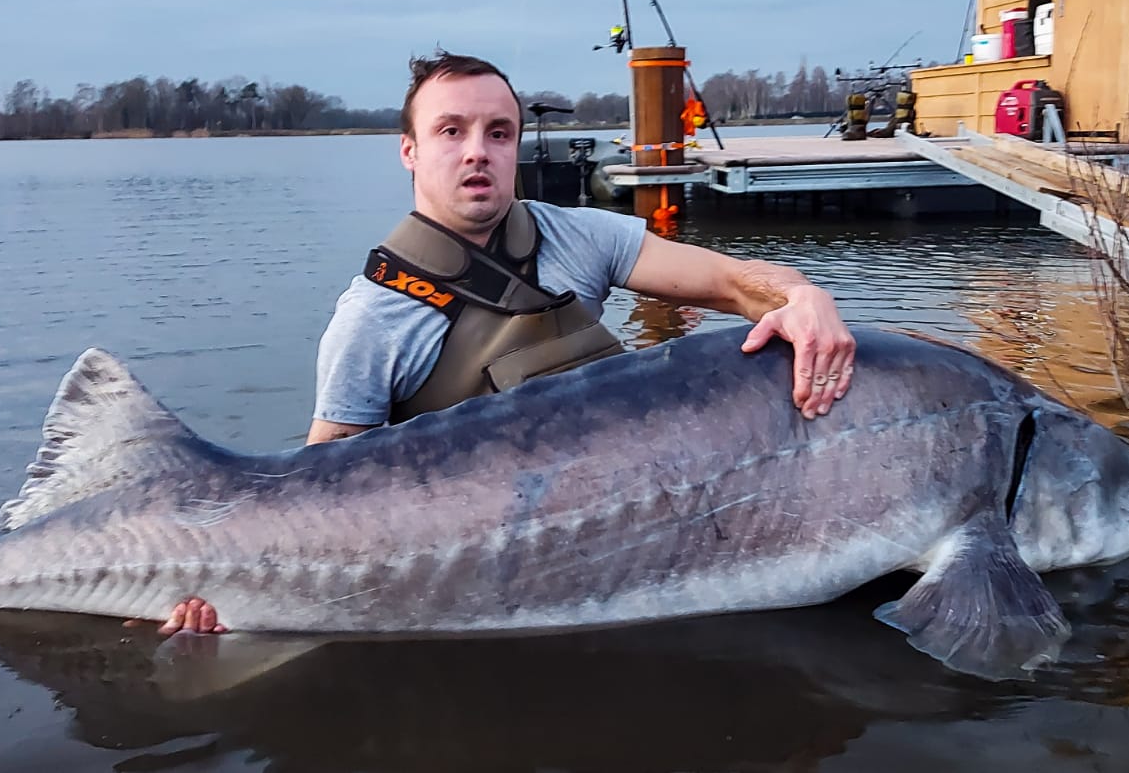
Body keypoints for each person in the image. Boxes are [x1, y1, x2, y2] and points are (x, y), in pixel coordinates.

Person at [150, 52, 855, 636]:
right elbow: (320, 494)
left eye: (497, 132)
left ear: (517, 145)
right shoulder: (371, 318)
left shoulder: (579, 235)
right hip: (478, 568)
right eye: (450, 131)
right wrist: (239, 597)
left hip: (630, 539)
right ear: (410, 151)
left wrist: (803, 298)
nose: (476, 153)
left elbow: (738, 284)